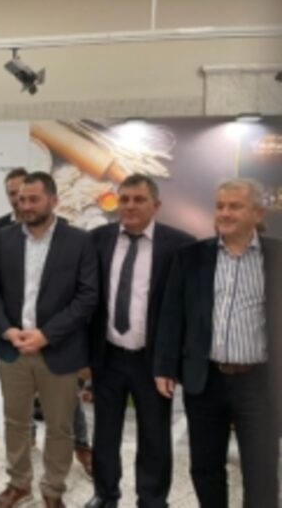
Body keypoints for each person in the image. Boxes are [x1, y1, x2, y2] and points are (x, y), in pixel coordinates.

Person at [154, 178, 280, 508]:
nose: (224, 213)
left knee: (262, 470)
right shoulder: (191, 257)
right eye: (220, 206)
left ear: (257, 213)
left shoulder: (277, 257)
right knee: (205, 467)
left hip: (260, 384)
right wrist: (165, 366)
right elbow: (172, 315)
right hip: (205, 380)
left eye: (235, 206)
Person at [0, 171, 98, 508]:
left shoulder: (79, 241)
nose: (26, 205)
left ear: (54, 200)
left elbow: (87, 297)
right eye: (21, 199)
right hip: (13, 349)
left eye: (33, 199)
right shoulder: (3, 239)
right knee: (15, 423)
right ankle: (19, 484)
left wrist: (46, 335)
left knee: (60, 427)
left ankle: (53, 490)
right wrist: (7, 329)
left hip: (59, 350)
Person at [85, 174, 194, 508]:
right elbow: (88, 300)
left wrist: (171, 363)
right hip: (107, 356)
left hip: (153, 362)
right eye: (125, 199)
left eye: (139, 199)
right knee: (105, 433)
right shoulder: (97, 240)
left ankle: (152, 499)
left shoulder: (180, 245)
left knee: (154, 436)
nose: (130, 206)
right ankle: (105, 495)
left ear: (156, 205)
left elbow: (185, 310)